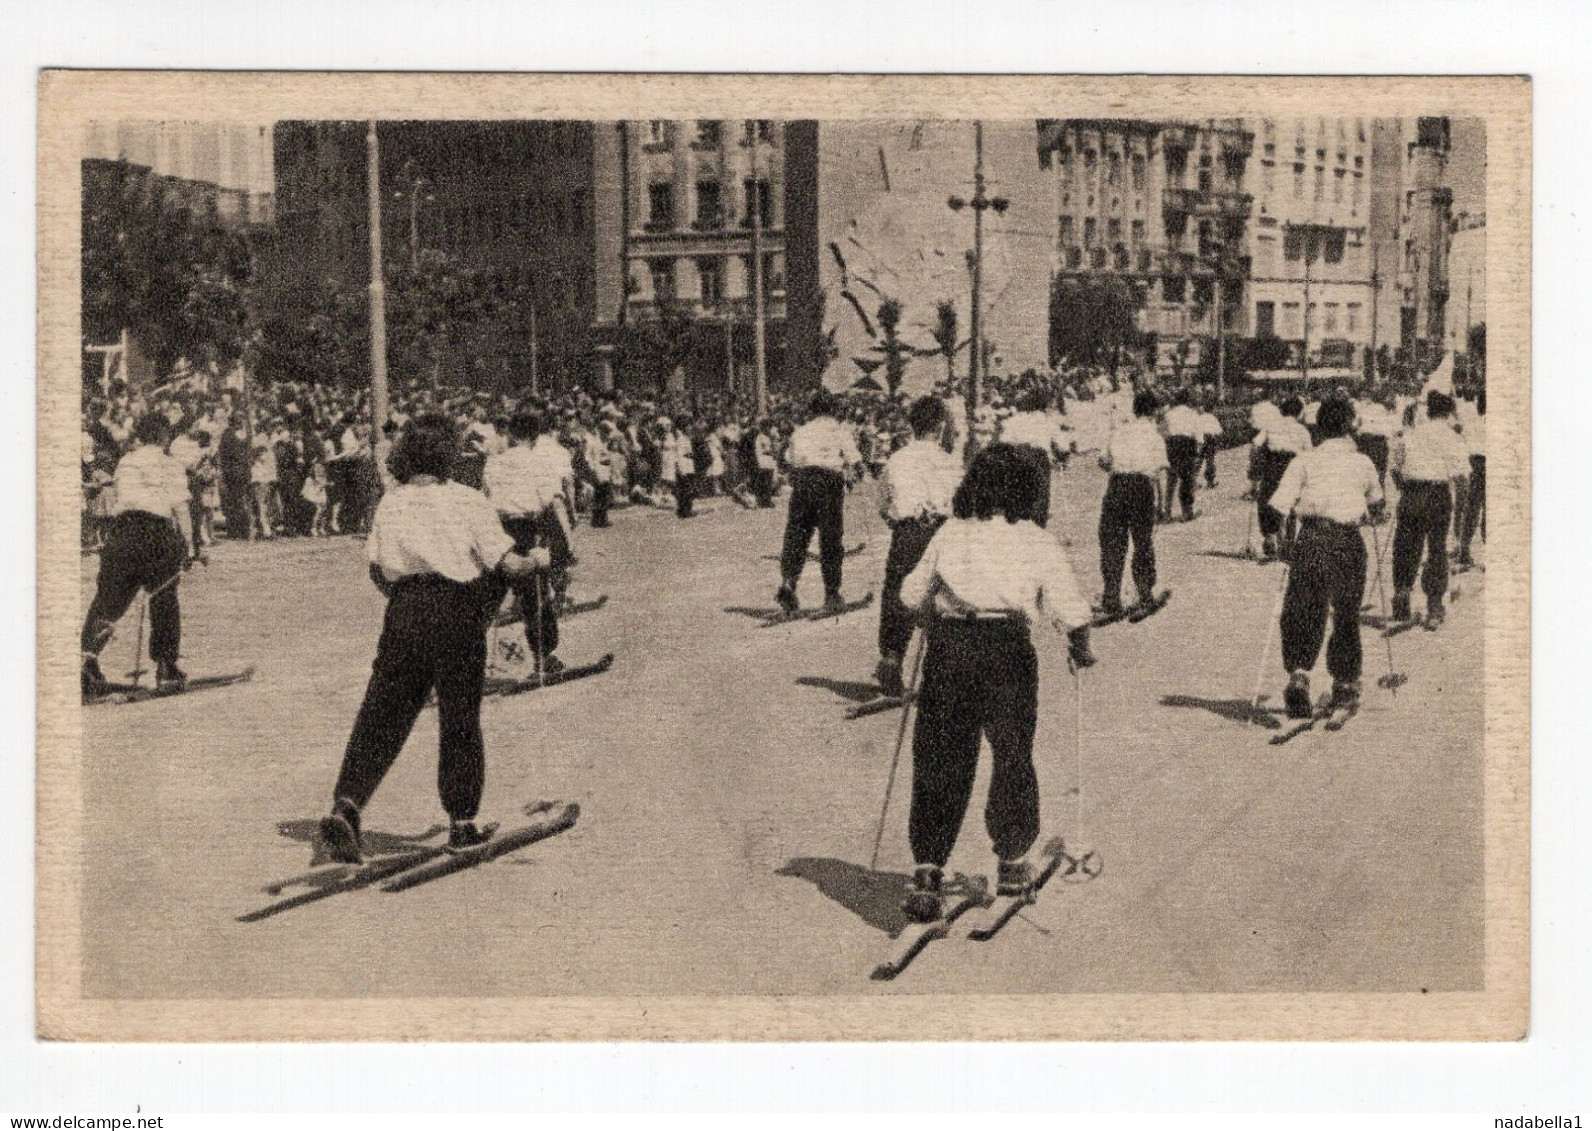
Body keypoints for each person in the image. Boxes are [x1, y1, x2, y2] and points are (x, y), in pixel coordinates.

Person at [319, 414, 555, 864]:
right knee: (459, 715)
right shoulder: (467, 500)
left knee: (382, 712)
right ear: (448, 454)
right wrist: (540, 558)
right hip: (456, 610)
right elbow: (510, 566)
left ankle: (347, 805)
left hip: (404, 609)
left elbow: (378, 570)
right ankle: (463, 824)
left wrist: (409, 594)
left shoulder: (390, 504)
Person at [896, 443, 1096, 923]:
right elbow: (1068, 605)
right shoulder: (1033, 538)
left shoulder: (950, 531)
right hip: (1005, 649)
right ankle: (1011, 862)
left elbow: (909, 594)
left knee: (940, 758)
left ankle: (928, 871)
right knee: (1011, 753)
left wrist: (933, 611)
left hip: (949, 650)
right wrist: (1079, 645)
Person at [1266, 397, 1385, 718]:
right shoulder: (1363, 462)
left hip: (1311, 539)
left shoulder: (1303, 461)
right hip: (1346, 541)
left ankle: (1300, 676)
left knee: (1303, 608)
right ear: (1348, 426)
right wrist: (1371, 511)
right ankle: (1345, 684)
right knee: (1345, 612)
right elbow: (1377, 505)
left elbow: (1277, 506)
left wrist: (1277, 538)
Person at [80, 412, 197, 695]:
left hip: (121, 532)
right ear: (164, 436)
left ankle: (85, 663)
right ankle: (167, 667)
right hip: (155, 533)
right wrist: (190, 546)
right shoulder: (170, 464)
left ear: (142, 437)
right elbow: (180, 508)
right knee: (163, 599)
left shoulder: (126, 461)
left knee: (108, 600)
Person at [875, 396, 962, 697]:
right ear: (939, 427)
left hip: (907, 532)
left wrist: (899, 521)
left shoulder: (896, 459)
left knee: (897, 594)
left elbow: (882, 503)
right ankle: (939, 674)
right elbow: (960, 504)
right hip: (939, 532)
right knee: (942, 599)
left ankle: (892, 655)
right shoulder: (949, 462)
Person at [483, 412, 569, 673]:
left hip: (498, 530)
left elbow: (486, 499)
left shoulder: (493, 464)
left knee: (490, 597)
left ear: (510, 435)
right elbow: (553, 503)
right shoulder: (539, 463)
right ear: (534, 437)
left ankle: (468, 660)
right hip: (528, 529)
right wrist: (567, 540)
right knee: (536, 596)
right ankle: (544, 657)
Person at [1389, 390, 1472, 629]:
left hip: (1412, 493)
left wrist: (1405, 489)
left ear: (1428, 411)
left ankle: (1402, 595)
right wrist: (1460, 508)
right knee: (1436, 549)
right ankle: (1434, 607)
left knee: (1405, 546)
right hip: (1437, 495)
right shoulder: (1453, 438)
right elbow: (1462, 478)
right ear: (1447, 413)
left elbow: (1394, 468)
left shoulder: (1411, 434)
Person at [775, 390, 863, 615]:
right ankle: (832, 594)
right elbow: (854, 460)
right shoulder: (839, 430)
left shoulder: (801, 431)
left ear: (812, 410)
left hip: (803, 481)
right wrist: (852, 474)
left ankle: (789, 581)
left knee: (797, 534)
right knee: (830, 538)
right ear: (832, 409)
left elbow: (788, 461)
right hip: (828, 481)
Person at [1096, 390, 1167, 617]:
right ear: (1154, 411)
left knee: (1112, 542)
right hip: (1141, 486)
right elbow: (1158, 473)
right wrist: (1162, 505)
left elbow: (1104, 461)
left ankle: (1111, 598)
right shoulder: (1154, 436)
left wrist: (1119, 467)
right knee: (1142, 542)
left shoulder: (1120, 430)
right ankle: (1145, 595)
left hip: (1117, 485)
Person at [1252, 396, 1313, 561]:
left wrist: (1255, 470)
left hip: (1272, 465)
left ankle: (1270, 535)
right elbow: (1309, 455)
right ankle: (1287, 543)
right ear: (1299, 413)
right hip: (1292, 466)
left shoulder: (1270, 427)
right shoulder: (1302, 430)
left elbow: (1256, 444)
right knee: (1291, 504)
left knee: (1268, 500)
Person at [998, 389, 1067, 528]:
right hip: (1038, 459)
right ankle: (1037, 527)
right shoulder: (1047, 421)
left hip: (1017, 459)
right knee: (1039, 499)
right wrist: (1061, 456)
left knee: (1017, 498)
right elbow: (1064, 447)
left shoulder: (1014, 420)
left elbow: (1003, 441)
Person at [1161, 387, 1204, 523]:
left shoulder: (1169, 414)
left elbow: (1165, 433)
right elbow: (1199, 436)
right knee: (1186, 480)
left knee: (1171, 480)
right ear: (1188, 399)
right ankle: (1187, 511)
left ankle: (1166, 512)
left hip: (1173, 445)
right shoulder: (1193, 414)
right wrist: (1198, 450)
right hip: (1187, 445)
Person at [1457, 389, 1486, 567]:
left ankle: (1464, 549)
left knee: (1471, 508)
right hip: (1488, 462)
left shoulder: (1472, 420)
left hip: (1474, 463)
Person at [1196, 396, 1224, 489]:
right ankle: (1210, 481)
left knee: (1198, 461)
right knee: (1210, 461)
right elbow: (1219, 431)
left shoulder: (1200, 417)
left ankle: (1192, 481)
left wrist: (1199, 440)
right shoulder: (1213, 418)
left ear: (1203, 408)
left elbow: (1197, 429)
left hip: (1201, 439)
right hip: (1210, 440)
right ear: (1212, 409)